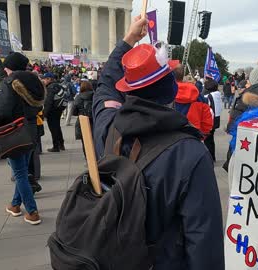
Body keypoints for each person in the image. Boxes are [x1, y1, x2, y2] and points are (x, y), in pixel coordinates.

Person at [92, 15, 224, 269]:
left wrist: (129, 40)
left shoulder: (107, 126)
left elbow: (106, 85)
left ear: (127, 89)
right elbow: (204, 243)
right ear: (171, 89)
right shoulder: (190, 153)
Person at [0, 52, 44, 225]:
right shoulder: (33, 81)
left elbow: (2, 112)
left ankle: (32, 212)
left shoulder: (9, 83)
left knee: (20, 173)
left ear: (9, 67)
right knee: (22, 170)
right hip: (31, 130)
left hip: (15, 132)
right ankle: (15, 205)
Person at [173, 64, 213, 138]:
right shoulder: (199, 97)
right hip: (193, 137)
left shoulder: (163, 94)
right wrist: (202, 136)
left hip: (168, 139)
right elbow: (207, 122)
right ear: (184, 76)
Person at [41, 72, 66, 152]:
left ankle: (56, 146)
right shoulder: (58, 85)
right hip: (58, 109)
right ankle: (61, 144)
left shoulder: (50, 88)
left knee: (53, 129)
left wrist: (44, 114)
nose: (43, 81)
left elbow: (48, 102)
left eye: (44, 79)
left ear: (49, 79)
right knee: (57, 127)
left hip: (52, 111)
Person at [72, 81, 94, 159]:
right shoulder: (95, 95)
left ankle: (88, 159)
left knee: (85, 142)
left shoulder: (79, 97)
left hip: (82, 121)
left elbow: (74, 111)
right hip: (94, 121)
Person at [203, 77, 222, 161]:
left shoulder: (208, 96)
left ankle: (209, 157)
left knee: (207, 140)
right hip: (216, 119)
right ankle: (212, 156)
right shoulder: (217, 95)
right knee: (211, 139)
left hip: (210, 120)